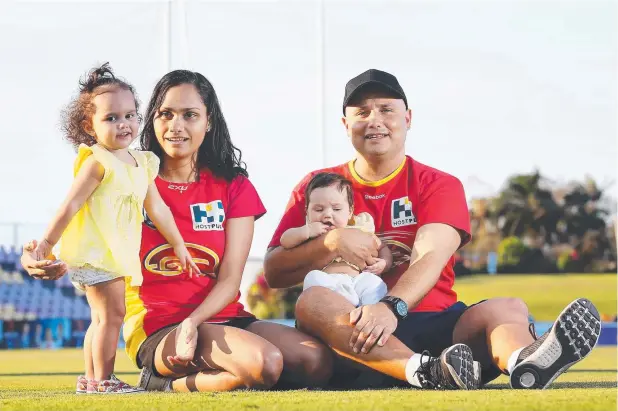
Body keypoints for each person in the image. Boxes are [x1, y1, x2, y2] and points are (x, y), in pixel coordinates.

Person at [264, 69, 602, 390]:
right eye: (362, 112)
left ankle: (524, 363)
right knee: (312, 301)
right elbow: (275, 271)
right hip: (354, 331)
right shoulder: (318, 187)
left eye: (386, 110)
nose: (375, 121)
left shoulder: (439, 184)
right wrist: (332, 243)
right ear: (345, 124)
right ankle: (421, 370)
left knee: (507, 308)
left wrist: (391, 308)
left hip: (430, 325)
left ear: (408, 119)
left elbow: (429, 257)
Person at [21, 69, 333, 393]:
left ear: (208, 121)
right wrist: (38, 251)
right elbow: (79, 219)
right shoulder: (128, 176)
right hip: (158, 325)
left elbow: (229, 282)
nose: (176, 126)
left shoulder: (235, 186)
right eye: (166, 114)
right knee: (265, 363)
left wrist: (194, 323)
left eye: (190, 115)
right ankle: (161, 381)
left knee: (316, 363)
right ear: (152, 119)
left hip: (220, 316)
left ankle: (230, 370)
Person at [29, 63, 200, 394]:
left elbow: (158, 209)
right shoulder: (98, 161)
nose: (124, 124)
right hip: (97, 251)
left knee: (101, 317)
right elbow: (70, 206)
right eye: (111, 118)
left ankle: (91, 381)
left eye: (129, 115)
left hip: (116, 253)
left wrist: (178, 243)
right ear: (89, 126)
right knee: (112, 315)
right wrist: (46, 244)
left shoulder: (141, 162)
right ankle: (103, 380)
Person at [281, 172, 391, 307]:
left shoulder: (359, 228)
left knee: (373, 283)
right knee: (312, 277)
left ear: (350, 212)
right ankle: (343, 304)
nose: (327, 214)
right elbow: (285, 240)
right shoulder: (311, 231)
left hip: (358, 279)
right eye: (319, 209)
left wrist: (385, 263)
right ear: (307, 211)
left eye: (336, 209)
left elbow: (381, 246)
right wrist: (307, 231)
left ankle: (371, 310)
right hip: (330, 283)